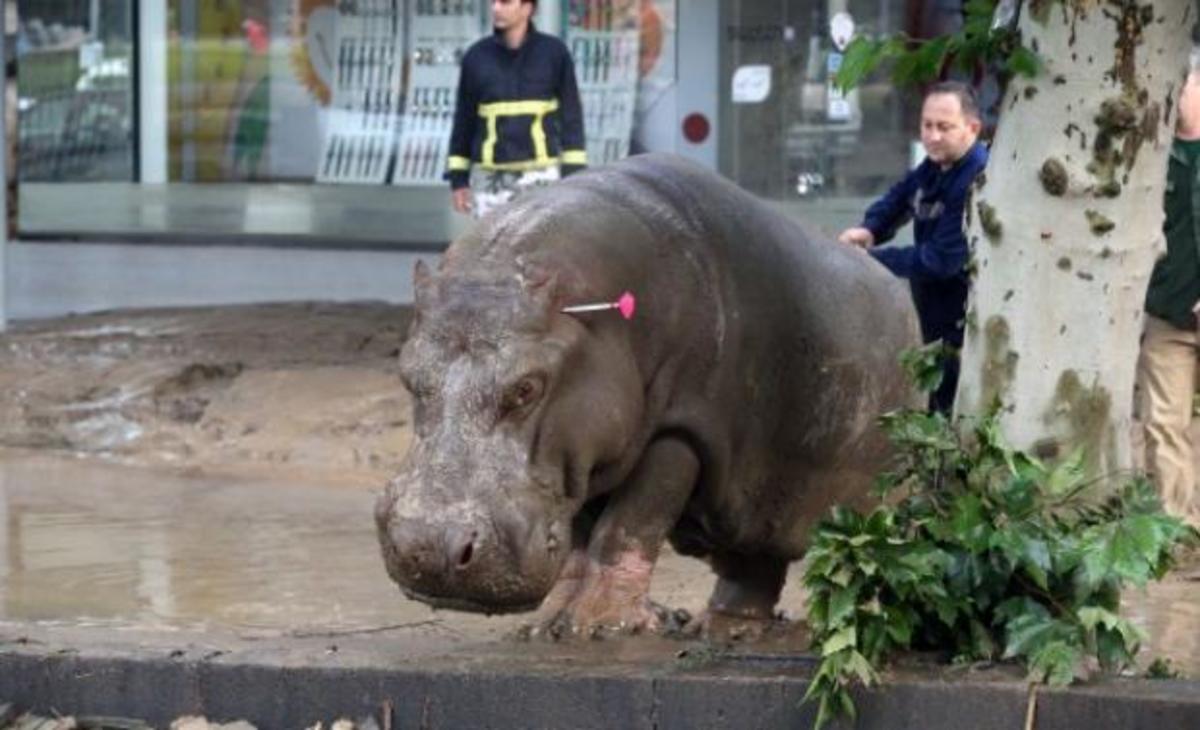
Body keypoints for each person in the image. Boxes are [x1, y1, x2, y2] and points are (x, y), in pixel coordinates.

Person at [838, 81, 988, 414]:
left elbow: (941, 261)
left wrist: (869, 260)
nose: (932, 136)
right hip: (933, 318)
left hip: (965, 324)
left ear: (972, 128)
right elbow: (901, 197)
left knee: (952, 411)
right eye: (927, 125)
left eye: (944, 127)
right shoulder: (935, 166)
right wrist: (870, 229)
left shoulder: (977, 176)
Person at [445, 0, 587, 218]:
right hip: (490, 180)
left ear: (528, 8)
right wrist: (458, 179)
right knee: (490, 250)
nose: (495, 8)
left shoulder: (554, 54)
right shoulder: (476, 57)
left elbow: (571, 118)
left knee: (541, 249)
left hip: (541, 177)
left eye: (505, 2)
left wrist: (574, 176)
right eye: (493, 2)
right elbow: (464, 121)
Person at [1137, 52, 1200, 530]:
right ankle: (1177, 528)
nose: (1177, 95)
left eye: (1185, 85)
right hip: (1167, 314)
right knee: (1162, 423)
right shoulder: (1148, 158)